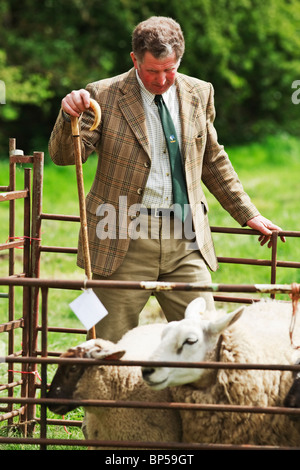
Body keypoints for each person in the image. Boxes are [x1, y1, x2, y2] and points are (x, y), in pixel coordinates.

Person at [49, 16, 284, 342]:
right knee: (109, 347)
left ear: (180, 59)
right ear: (134, 60)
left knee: (205, 341)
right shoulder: (101, 95)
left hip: (186, 239)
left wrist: (249, 214)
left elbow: (212, 160)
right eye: (152, 71)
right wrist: (68, 116)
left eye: (169, 70)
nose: (161, 80)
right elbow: (65, 157)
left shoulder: (199, 93)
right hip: (120, 232)